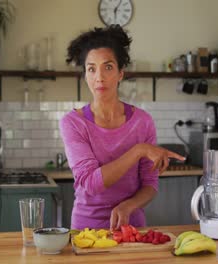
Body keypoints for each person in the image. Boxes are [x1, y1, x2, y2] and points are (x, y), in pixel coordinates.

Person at [59, 25, 184, 231]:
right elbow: (91, 183)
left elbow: (150, 184)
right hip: (87, 232)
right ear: (85, 76)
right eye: (91, 68)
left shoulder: (142, 121)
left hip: (132, 229)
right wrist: (139, 150)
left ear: (120, 74)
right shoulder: (73, 122)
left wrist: (129, 205)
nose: (99, 77)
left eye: (107, 67)